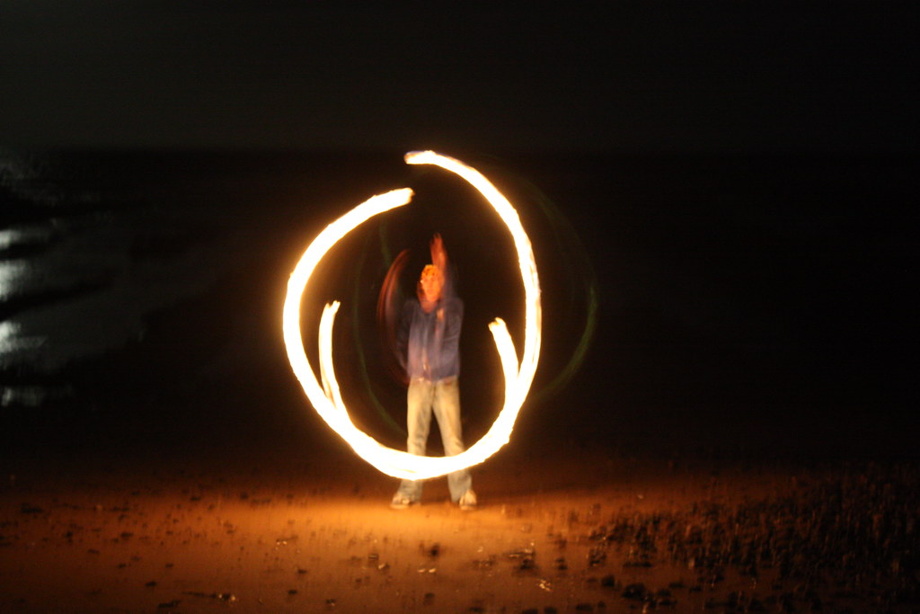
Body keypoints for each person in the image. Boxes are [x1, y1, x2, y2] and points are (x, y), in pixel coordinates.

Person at [390, 234, 476, 511]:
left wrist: (442, 262)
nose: (430, 282)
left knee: (453, 440)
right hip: (419, 383)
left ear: (443, 283)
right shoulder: (412, 310)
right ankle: (409, 492)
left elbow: (450, 298)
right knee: (414, 440)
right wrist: (407, 367)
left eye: (435, 278)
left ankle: (462, 492)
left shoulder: (453, 308)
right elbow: (401, 339)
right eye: (425, 278)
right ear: (420, 284)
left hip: (446, 382)